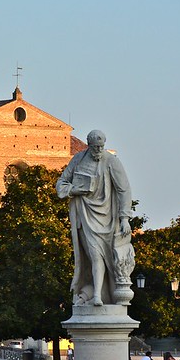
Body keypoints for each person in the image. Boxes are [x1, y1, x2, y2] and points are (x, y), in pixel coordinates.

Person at [56, 130, 133, 307]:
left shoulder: (111, 161)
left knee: (107, 259)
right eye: (95, 147)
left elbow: (124, 189)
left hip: (107, 218)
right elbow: (61, 183)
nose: (99, 150)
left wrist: (124, 218)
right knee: (93, 255)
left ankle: (100, 294)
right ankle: (96, 294)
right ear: (88, 145)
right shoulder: (78, 159)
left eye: (101, 146)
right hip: (85, 214)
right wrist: (74, 190)